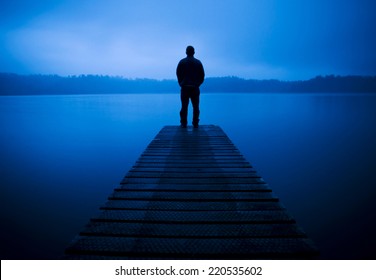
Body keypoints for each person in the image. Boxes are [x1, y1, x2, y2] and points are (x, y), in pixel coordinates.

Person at [176, 45, 205, 128]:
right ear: (194, 52)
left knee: (184, 106)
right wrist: (197, 84)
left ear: (186, 52)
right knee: (196, 107)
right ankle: (195, 123)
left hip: (184, 87)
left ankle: (183, 123)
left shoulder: (182, 62)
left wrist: (181, 83)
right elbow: (202, 76)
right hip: (194, 88)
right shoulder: (198, 62)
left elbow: (178, 74)